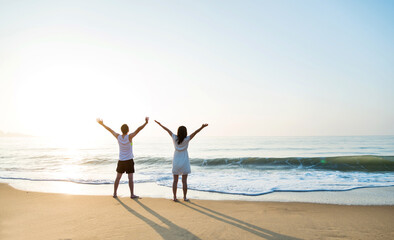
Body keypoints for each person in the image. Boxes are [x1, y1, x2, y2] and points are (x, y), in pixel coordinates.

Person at [155, 120, 208, 202]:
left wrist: (160, 124)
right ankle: (184, 197)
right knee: (184, 181)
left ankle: (175, 197)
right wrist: (202, 127)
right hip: (184, 162)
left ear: (178, 132)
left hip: (176, 161)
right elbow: (195, 132)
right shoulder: (187, 139)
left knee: (175, 181)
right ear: (185, 132)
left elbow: (167, 130)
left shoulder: (174, 137)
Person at [97, 117, 149, 198]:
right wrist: (146, 123)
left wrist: (102, 124)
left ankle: (114, 193)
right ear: (128, 130)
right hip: (129, 161)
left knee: (118, 178)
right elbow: (138, 129)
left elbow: (110, 130)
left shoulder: (118, 137)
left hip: (121, 160)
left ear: (121, 130)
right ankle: (132, 194)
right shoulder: (130, 137)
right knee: (130, 179)